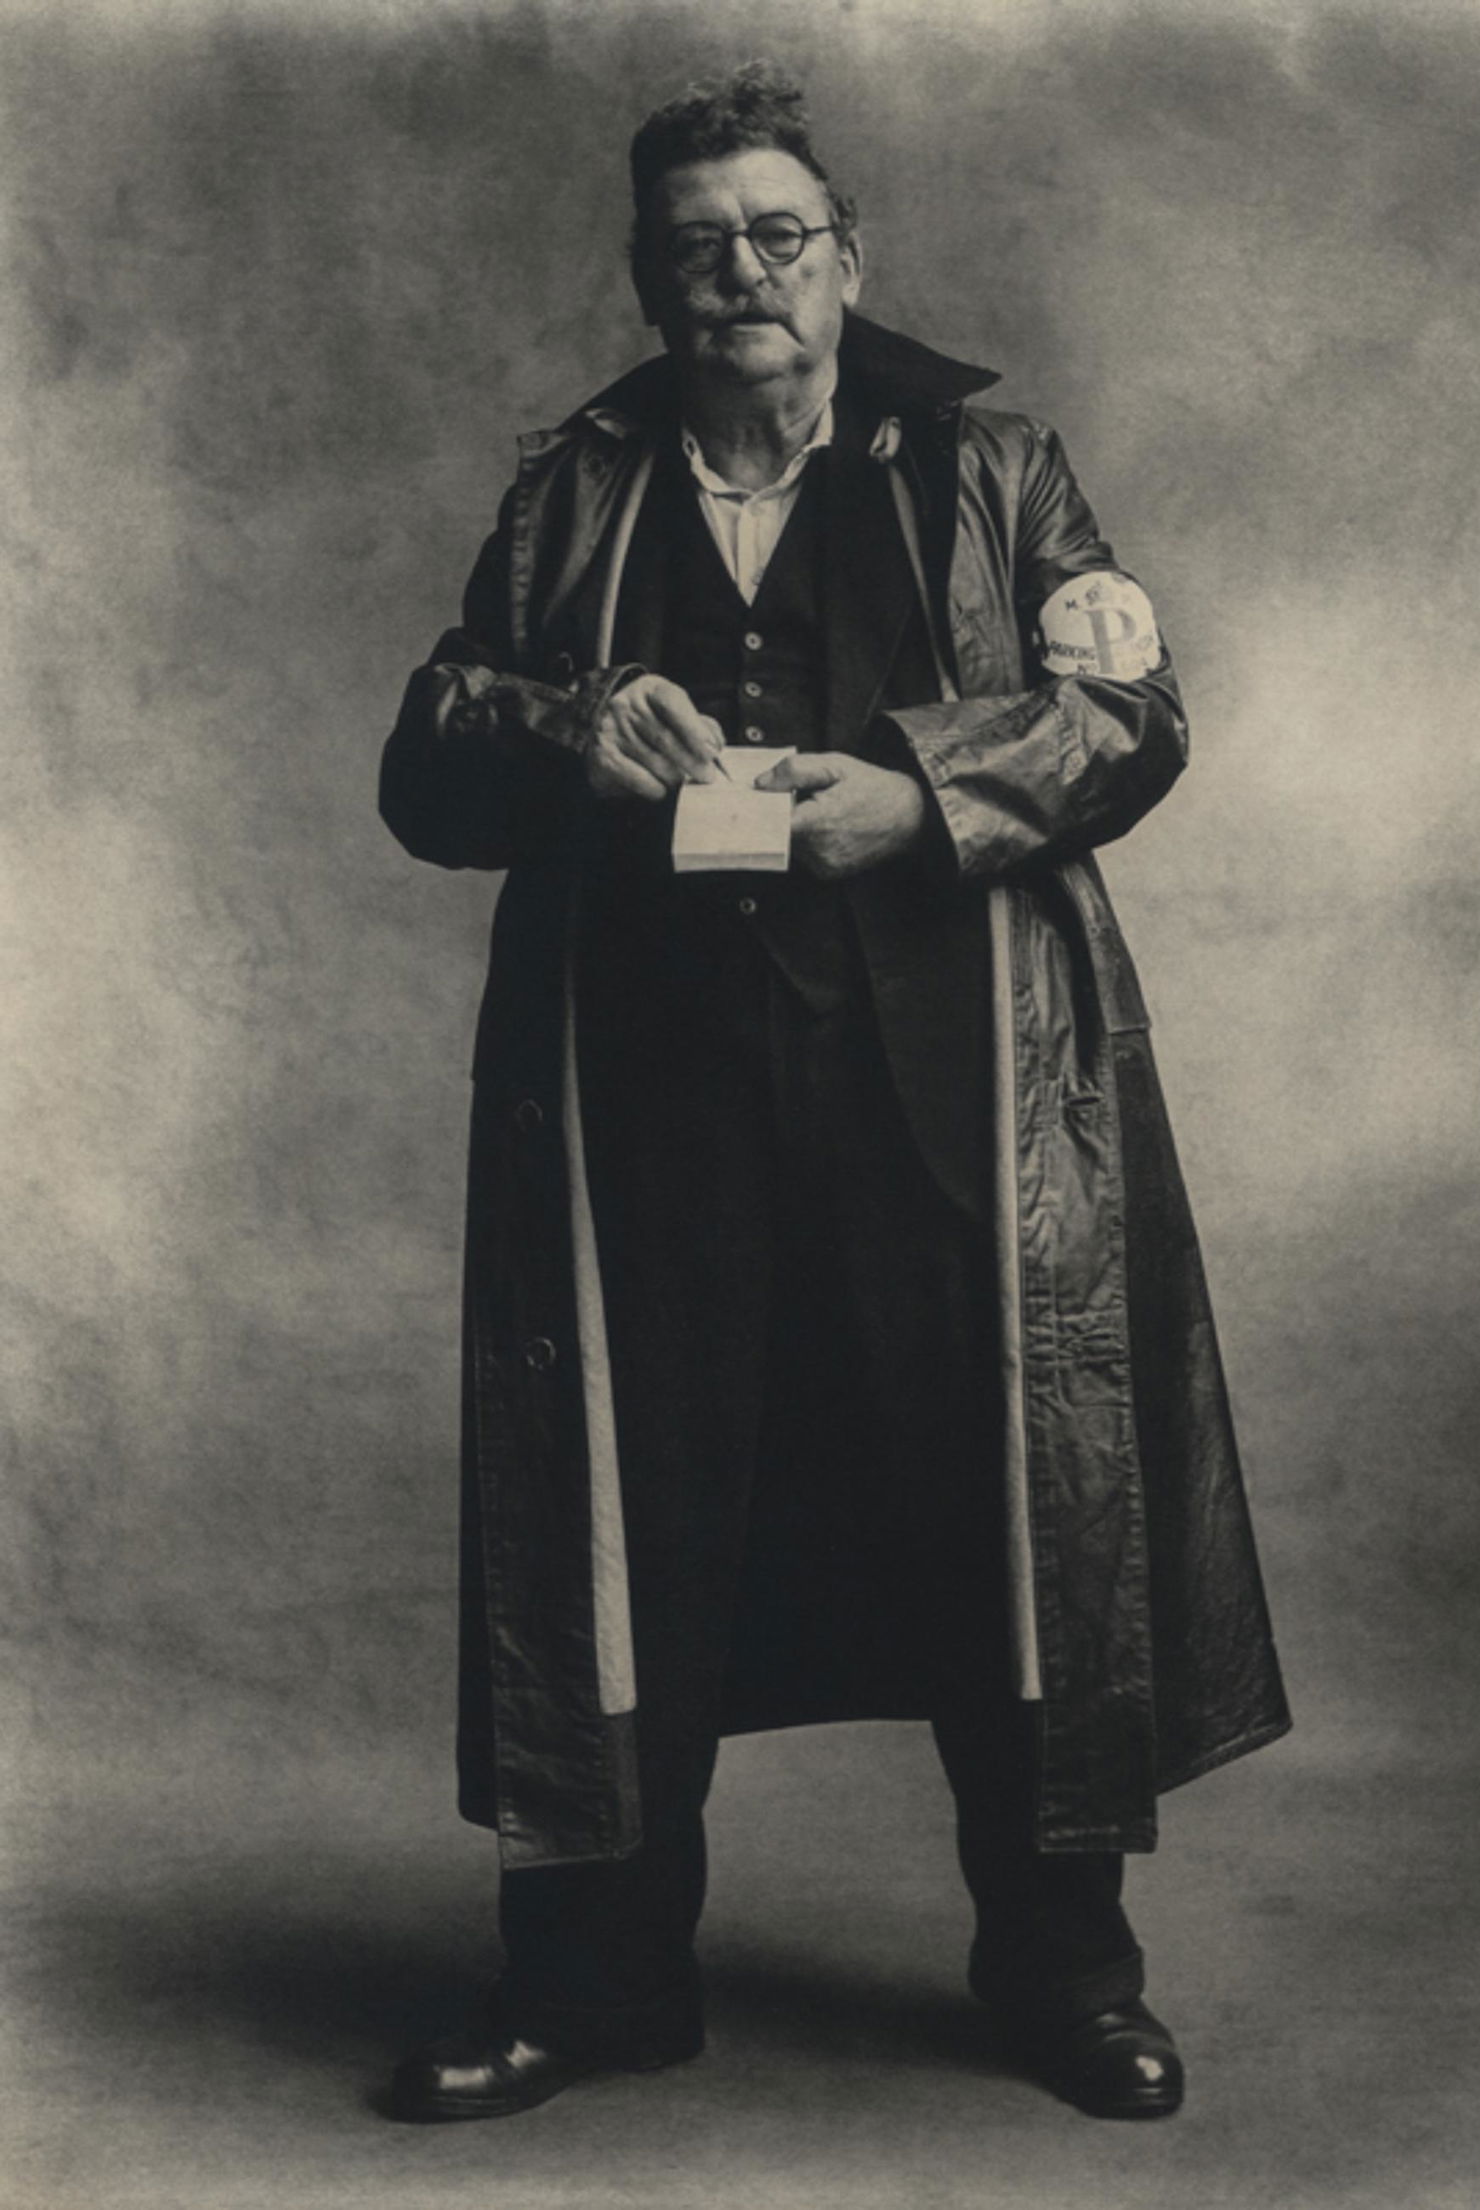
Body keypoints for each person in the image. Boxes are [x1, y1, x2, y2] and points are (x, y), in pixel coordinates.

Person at [378, 61, 1288, 2126]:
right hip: (649, 1108)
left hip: (952, 1084)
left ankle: (1062, 1973)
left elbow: (1123, 712)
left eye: (776, 235)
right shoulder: (573, 489)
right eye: (695, 249)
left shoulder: (988, 456)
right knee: (638, 1517)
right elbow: (428, 759)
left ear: (845, 257)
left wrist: (923, 789)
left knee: (1007, 1512)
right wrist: (562, 725)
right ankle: (596, 1982)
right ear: (646, 282)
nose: (741, 276)